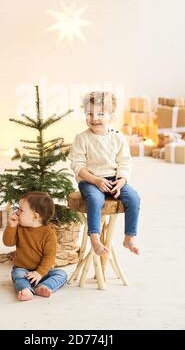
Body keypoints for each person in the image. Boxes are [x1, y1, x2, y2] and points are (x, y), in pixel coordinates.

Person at [69, 91, 140, 256]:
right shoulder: (82, 138)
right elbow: (77, 165)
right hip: (90, 180)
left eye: (100, 114)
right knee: (95, 199)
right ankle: (94, 237)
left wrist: (121, 180)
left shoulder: (118, 137)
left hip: (114, 180)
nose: (94, 118)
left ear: (111, 116)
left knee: (134, 198)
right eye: (90, 113)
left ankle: (129, 236)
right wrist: (95, 180)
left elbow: (125, 161)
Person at [3, 191, 68, 301]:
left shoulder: (49, 234)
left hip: (42, 272)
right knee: (17, 274)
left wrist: (39, 273)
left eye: (21, 210)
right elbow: (8, 242)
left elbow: (49, 257)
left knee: (62, 274)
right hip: (23, 269)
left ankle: (44, 286)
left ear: (35, 216)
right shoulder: (20, 227)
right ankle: (26, 289)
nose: (17, 212)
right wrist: (11, 226)